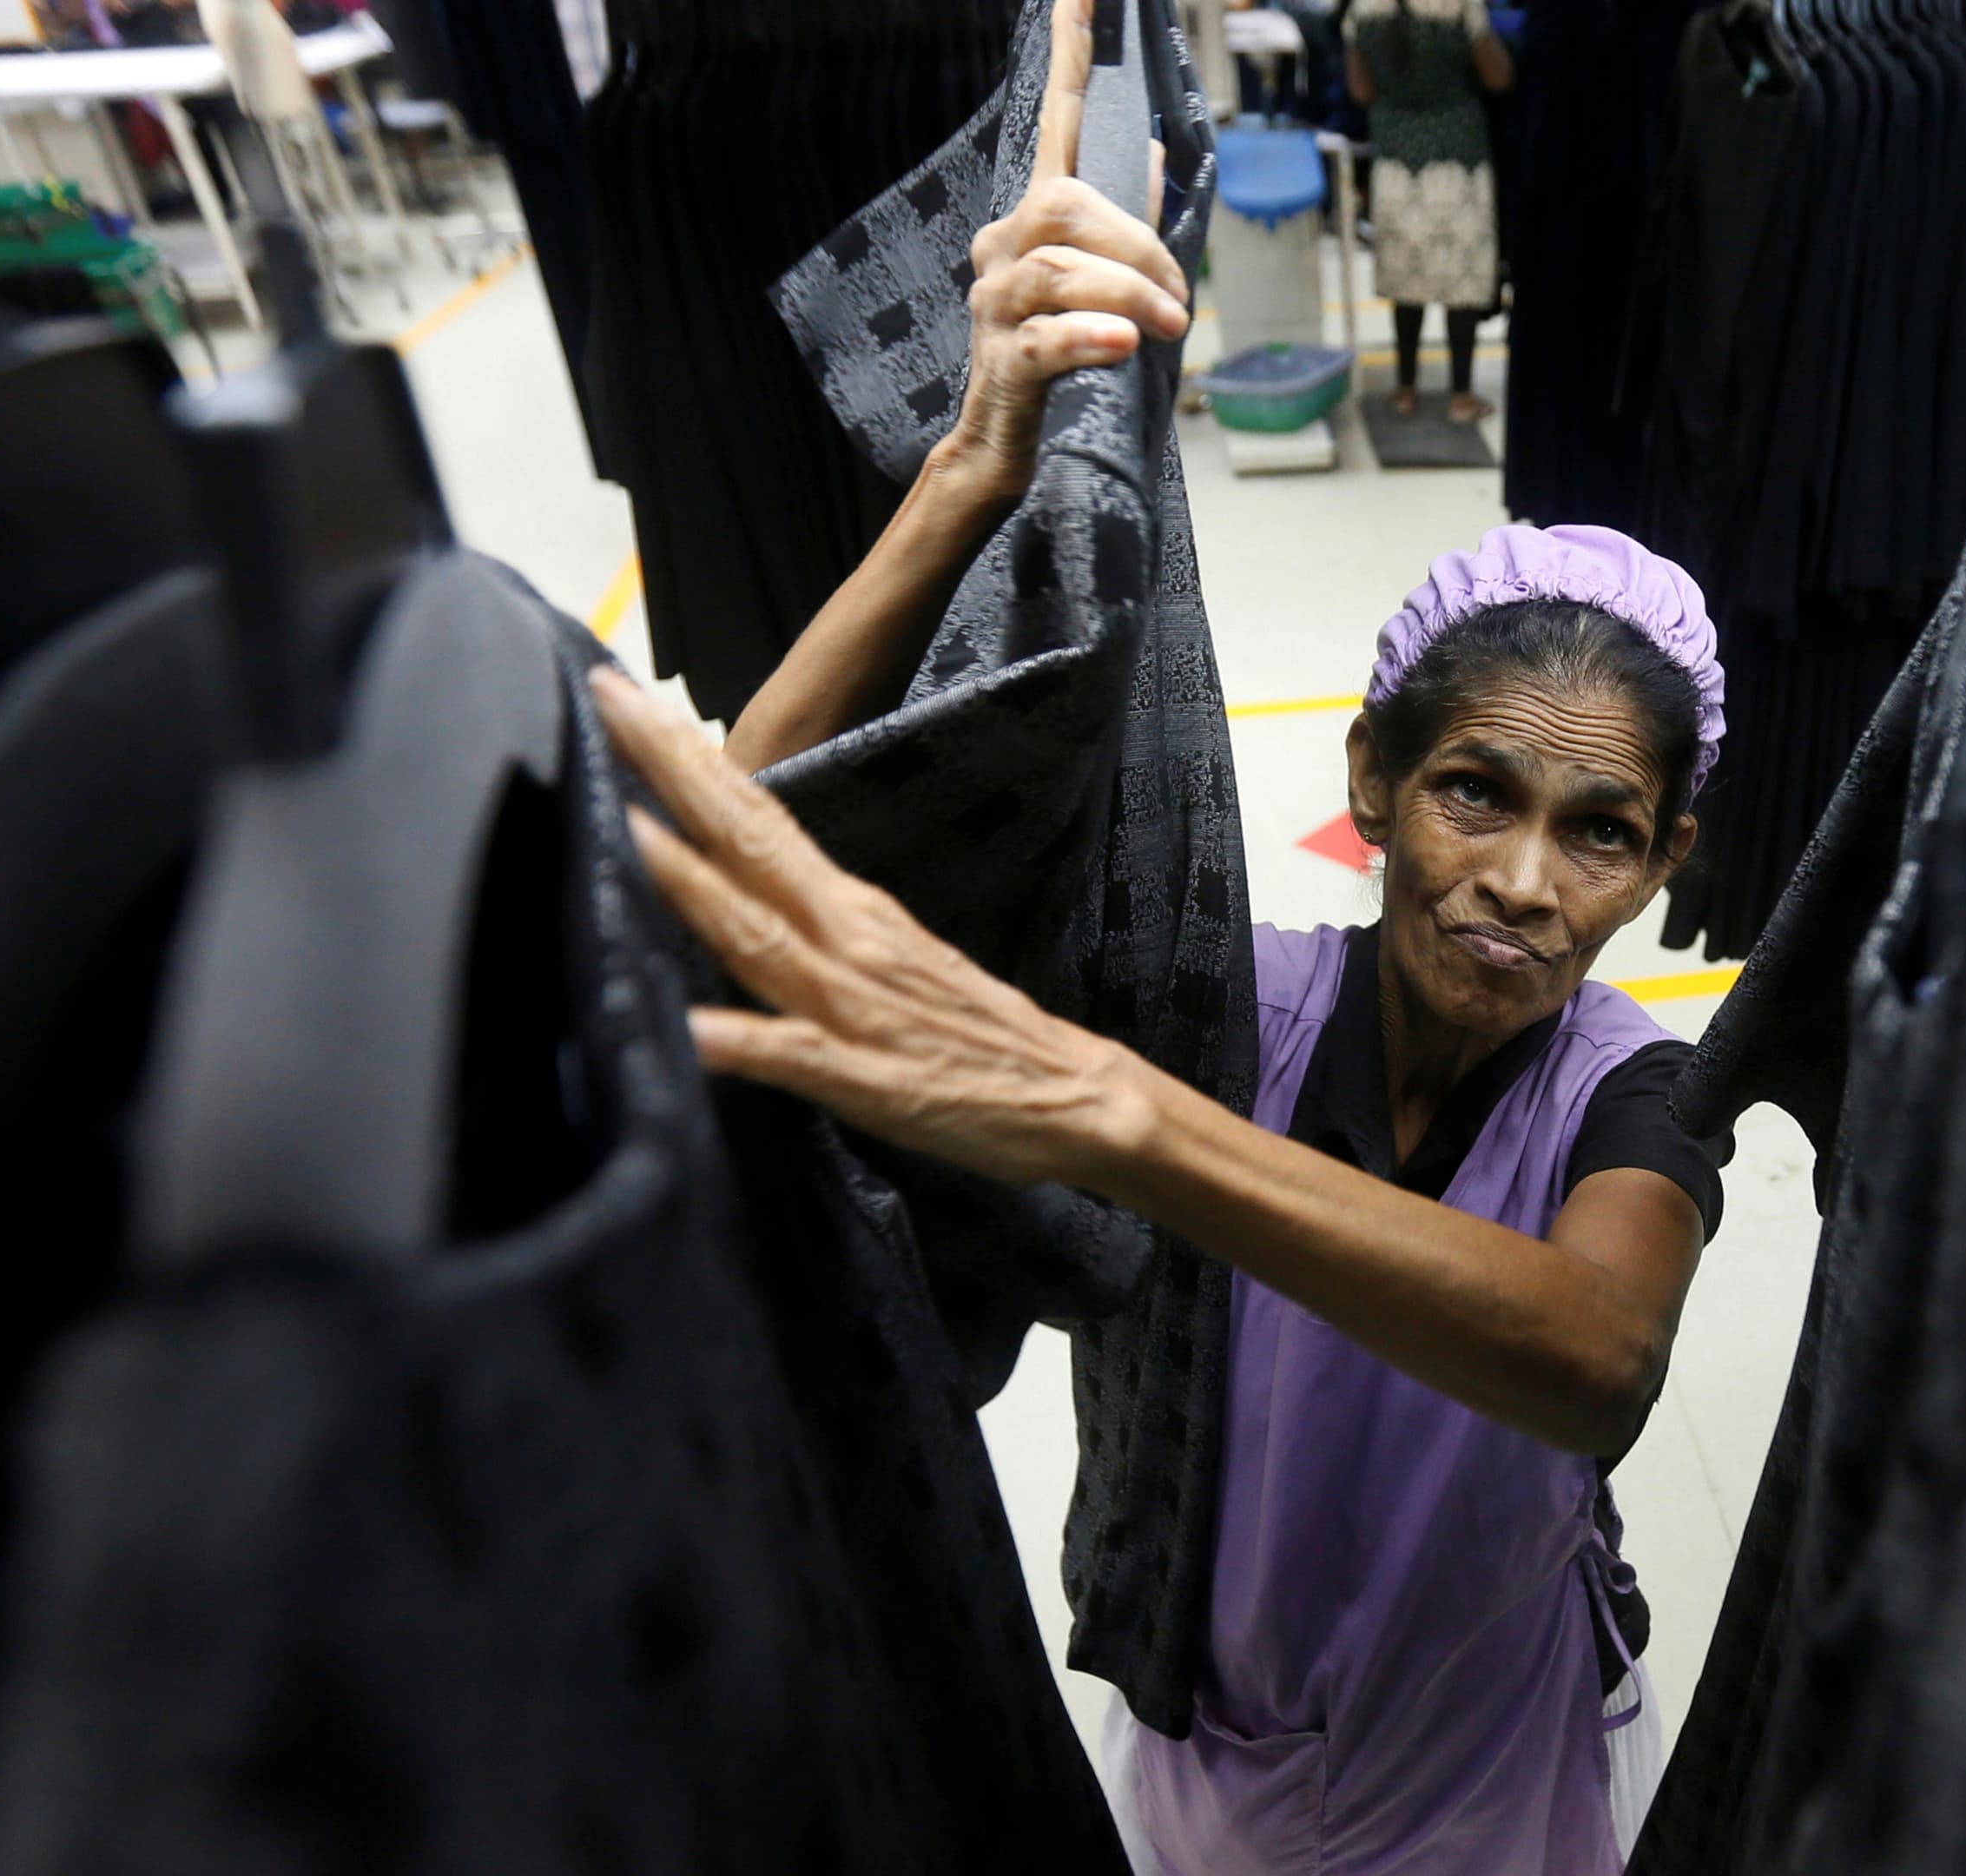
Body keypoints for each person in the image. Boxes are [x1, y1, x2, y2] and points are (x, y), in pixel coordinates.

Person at [589, 5, 1728, 1868]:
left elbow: (1597, 1357)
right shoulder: (1236, 1003)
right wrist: (959, 484)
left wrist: (1121, 1122)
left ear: (1668, 859)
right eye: (1475, 794)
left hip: (1497, 1767)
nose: (1528, 882)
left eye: (1599, 832)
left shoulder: (1634, 1095)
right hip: (1220, 1754)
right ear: (1366, 781)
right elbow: (728, 879)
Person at [1346, 0, 1514, 423]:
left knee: (1407, 277)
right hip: (1459, 153)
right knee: (1461, 279)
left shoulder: (1362, 10)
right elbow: (1499, 78)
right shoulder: (1461, 5)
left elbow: (1361, 90)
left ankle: (1405, 389)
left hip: (1396, 158)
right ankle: (1461, 396)